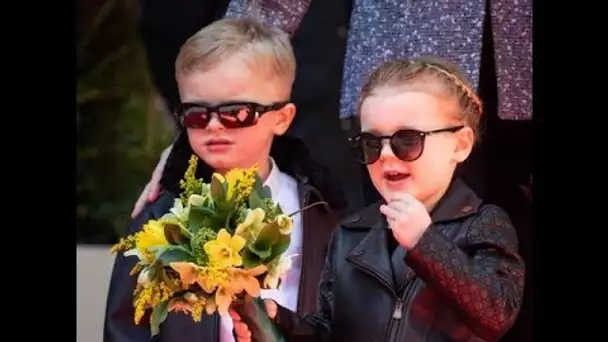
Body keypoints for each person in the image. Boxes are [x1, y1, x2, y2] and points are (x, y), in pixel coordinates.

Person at [231, 57, 526, 342]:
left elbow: (496, 314)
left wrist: (426, 243)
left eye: (408, 140)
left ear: (460, 145)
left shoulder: (482, 222)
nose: (385, 154)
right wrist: (281, 322)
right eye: (371, 143)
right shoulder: (350, 232)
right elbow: (330, 330)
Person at [103, 17, 347, 342]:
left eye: (236, 112)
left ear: (282, 118)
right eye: (196, 114)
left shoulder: (323, 217)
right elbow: (124, 332)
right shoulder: (159, 220)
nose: (215, 125)